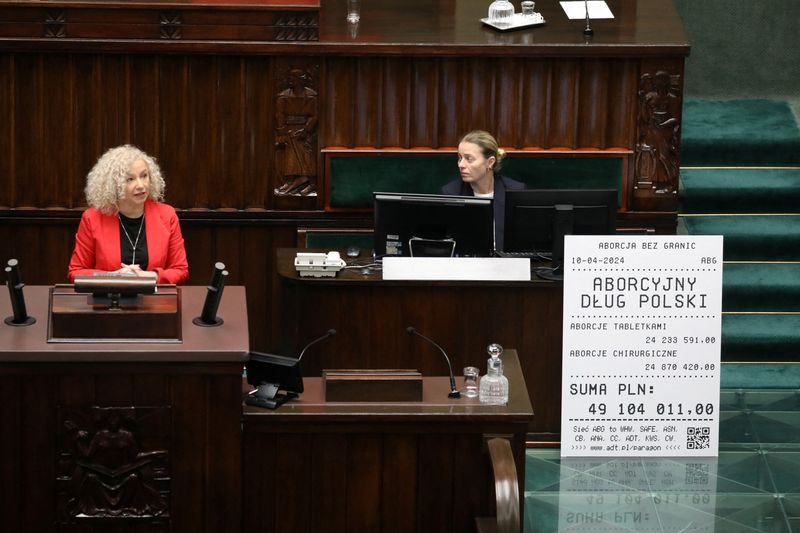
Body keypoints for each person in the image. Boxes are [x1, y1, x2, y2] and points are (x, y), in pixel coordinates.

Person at [68, 145, 189, 284]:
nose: (141, 185)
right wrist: (114, 277)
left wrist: (150, 277)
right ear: (114, 185)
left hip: (155, 301)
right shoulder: (92, 218)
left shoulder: (167, 215)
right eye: (129, 179)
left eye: (144, 176)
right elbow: (75, 272)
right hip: (107, 301)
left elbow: (181, 270)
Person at [440, 130, 525, 252]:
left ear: (490, 162)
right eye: (460, 158)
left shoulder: (514, 191)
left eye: (469, 159)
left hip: (506, 264)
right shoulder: (451, 193)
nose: (461, 165)